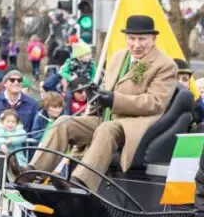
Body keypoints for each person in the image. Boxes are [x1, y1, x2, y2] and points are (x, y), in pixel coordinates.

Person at [16, 15, 177, 191]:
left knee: (106, 129)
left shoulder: (165, 65)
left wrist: (114, 99)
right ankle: (32, 172)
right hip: (106, 116)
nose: (136, 45)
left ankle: (79, 183)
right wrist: (96, 96)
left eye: (142, 39)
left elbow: (155, 102)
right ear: (126, 38)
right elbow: (107, 87)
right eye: (132, 38)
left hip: (134, 125)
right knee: (64, 122)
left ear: (153, 39)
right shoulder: (118, 57)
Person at [0, 68, 40, 136]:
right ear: (4, 83)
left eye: (19, 80)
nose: (16, 82)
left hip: (22, 145)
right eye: (12, 80)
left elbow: (36, 131)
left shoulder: (32, 104)